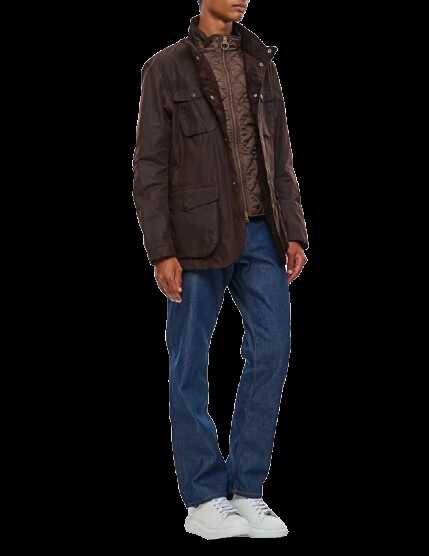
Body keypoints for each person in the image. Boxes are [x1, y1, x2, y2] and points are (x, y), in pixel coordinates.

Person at [132, 0, 308, 540]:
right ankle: (204, 497)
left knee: (272, 349)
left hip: (261, 233)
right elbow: (149, 165)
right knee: (189, 363)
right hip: (193, 239)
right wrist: (161, 249)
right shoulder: (166, 67)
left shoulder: (261, 61)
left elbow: (279, 153)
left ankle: (247, 489)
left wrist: (293, 228)